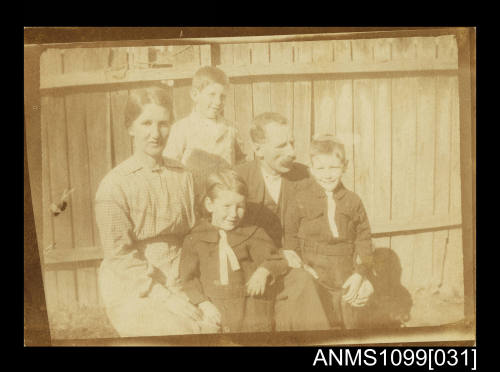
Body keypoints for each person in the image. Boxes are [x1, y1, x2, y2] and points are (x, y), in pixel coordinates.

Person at [95, 86, 214, 337]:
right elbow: (119, 257)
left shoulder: (183, 175)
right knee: (175, 332)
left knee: (218, 325)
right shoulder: (114, 184)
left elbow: (197, 232)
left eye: (163, 124)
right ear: (130, 127)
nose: (155, 134)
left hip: (183, 272)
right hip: (135, 282)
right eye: (146, 123)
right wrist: (164, 296)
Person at [235, 112, 332, 331]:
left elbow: (319, 228)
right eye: (281, 146)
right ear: (258, 149)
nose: (292, 152)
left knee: (304, 286)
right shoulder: (238, 178)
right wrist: (277, 256)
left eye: (292, 143)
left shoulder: (305, 177)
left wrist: (297, 256)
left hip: (294, 267)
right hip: (251, 271)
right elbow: (229, 235)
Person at [179, 169, 288, 333]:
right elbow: (188, 279)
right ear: (210, 204)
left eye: (240, 207)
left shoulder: (253, 233)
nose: (233, 214)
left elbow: (277, 260)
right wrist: (203, 303)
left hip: (252, 309)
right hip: (216, 310)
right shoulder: (196, 238)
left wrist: (263, 271)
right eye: (227, 206)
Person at [284, 134, 374, 329]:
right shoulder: (300, 199)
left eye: (333, 167)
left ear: (345, 166)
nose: (327, 174)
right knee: (318, 323)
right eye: (320, 168)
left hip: (345, 273)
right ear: (311, 169)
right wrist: (301, 268)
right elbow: (290, 239)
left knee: (350, 321)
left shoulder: (353, 201)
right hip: (314, 272)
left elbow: (364, 240)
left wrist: (360, 274)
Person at [163, 66, 245, 202]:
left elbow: (240, 164)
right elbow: (170, 168)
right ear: (195, 94)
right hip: (192, 198)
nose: (218, 102)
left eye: (222, 96)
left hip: (223, 202)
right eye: (212, 95)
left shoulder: (231, 129)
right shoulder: (182, 128)